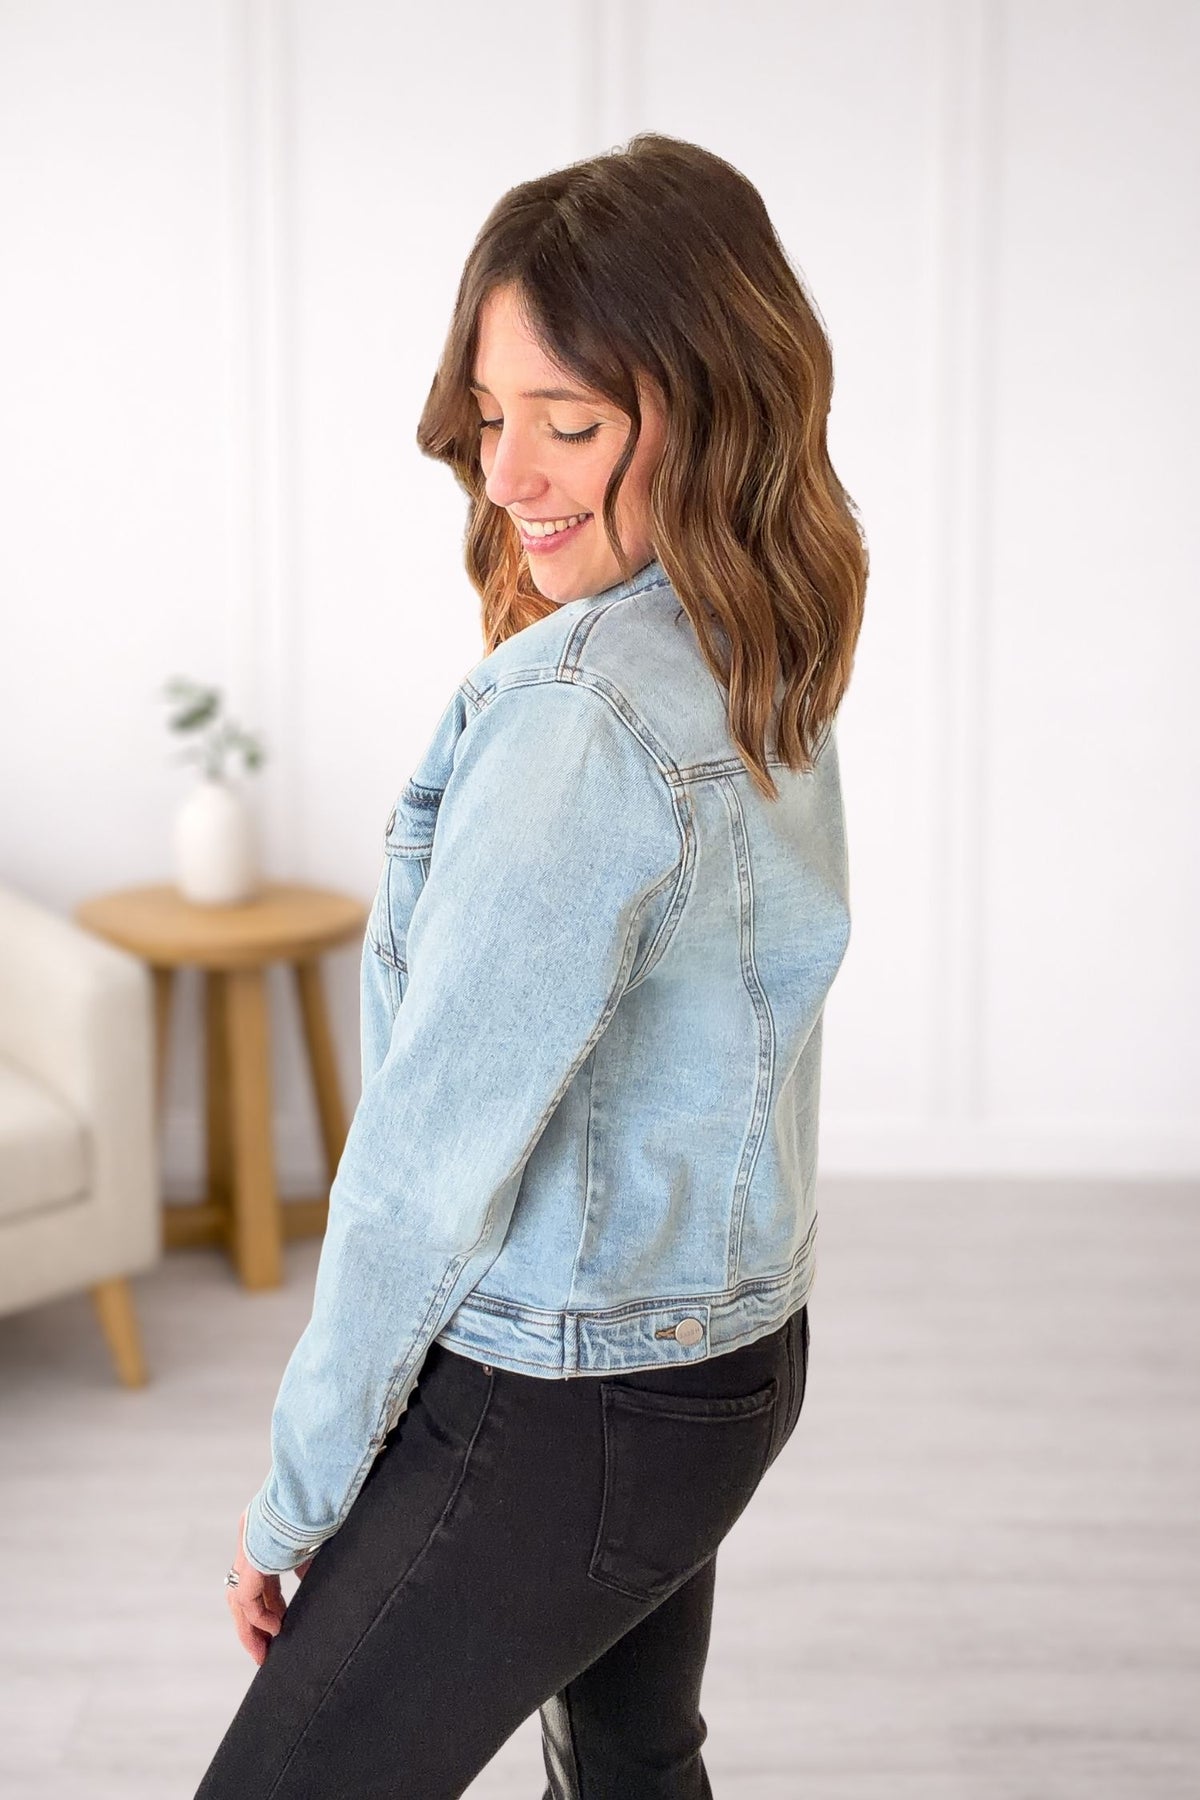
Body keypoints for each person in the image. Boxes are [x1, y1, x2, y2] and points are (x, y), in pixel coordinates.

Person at [195, 130, 867, 1799]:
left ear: (709, 414)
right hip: (726, 1365)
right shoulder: (756, 640)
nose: (511, 473)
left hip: (567, 1402)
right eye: (495, 420)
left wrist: (302, 1491)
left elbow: (422, 1167)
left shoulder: (578, 721)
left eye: (569, 424)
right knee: (634, 1765)